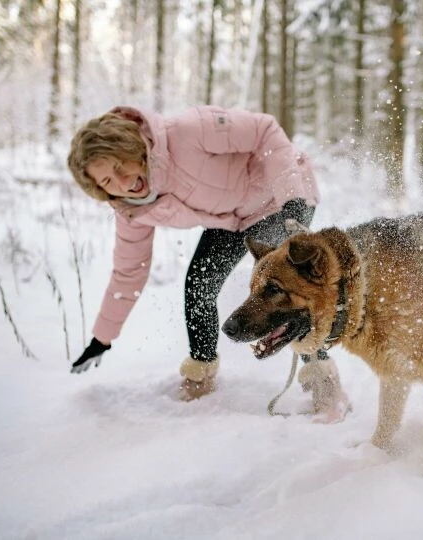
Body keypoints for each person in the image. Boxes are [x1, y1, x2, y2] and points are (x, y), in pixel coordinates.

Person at [66, 105, 351, 421]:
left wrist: (292, 202)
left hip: (277, 199)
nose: (122, 181)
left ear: (133, 146)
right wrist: (101, 338)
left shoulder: (186, 132)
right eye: (107, 180)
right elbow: (128, 271)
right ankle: (199, 377)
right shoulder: (133, 209)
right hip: (233, 219)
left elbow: (265, 130)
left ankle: (325, 384)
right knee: (200, 283)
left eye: (121, 165)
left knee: (291, 288)